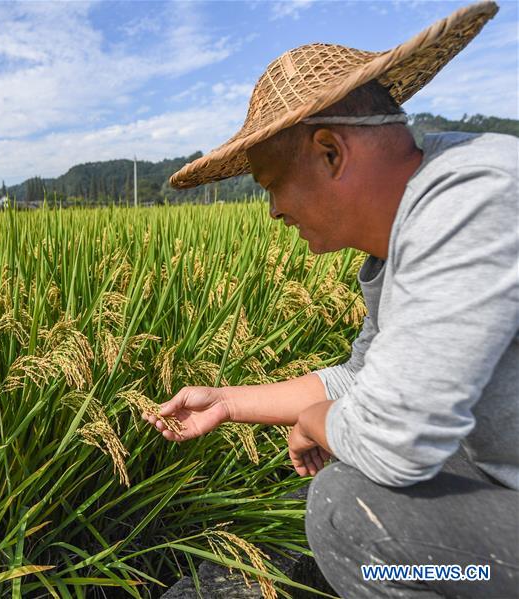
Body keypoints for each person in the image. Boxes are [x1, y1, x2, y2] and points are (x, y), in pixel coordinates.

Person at [145, 2, 519, 597]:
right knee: (354, 463)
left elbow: (395, 444)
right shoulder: (394, 249)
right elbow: (361, 378)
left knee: (350, 515)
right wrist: (225, 402)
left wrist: (318, 422)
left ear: (330, 152)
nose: (272, 211)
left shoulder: (470, 200)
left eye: (271, 185)